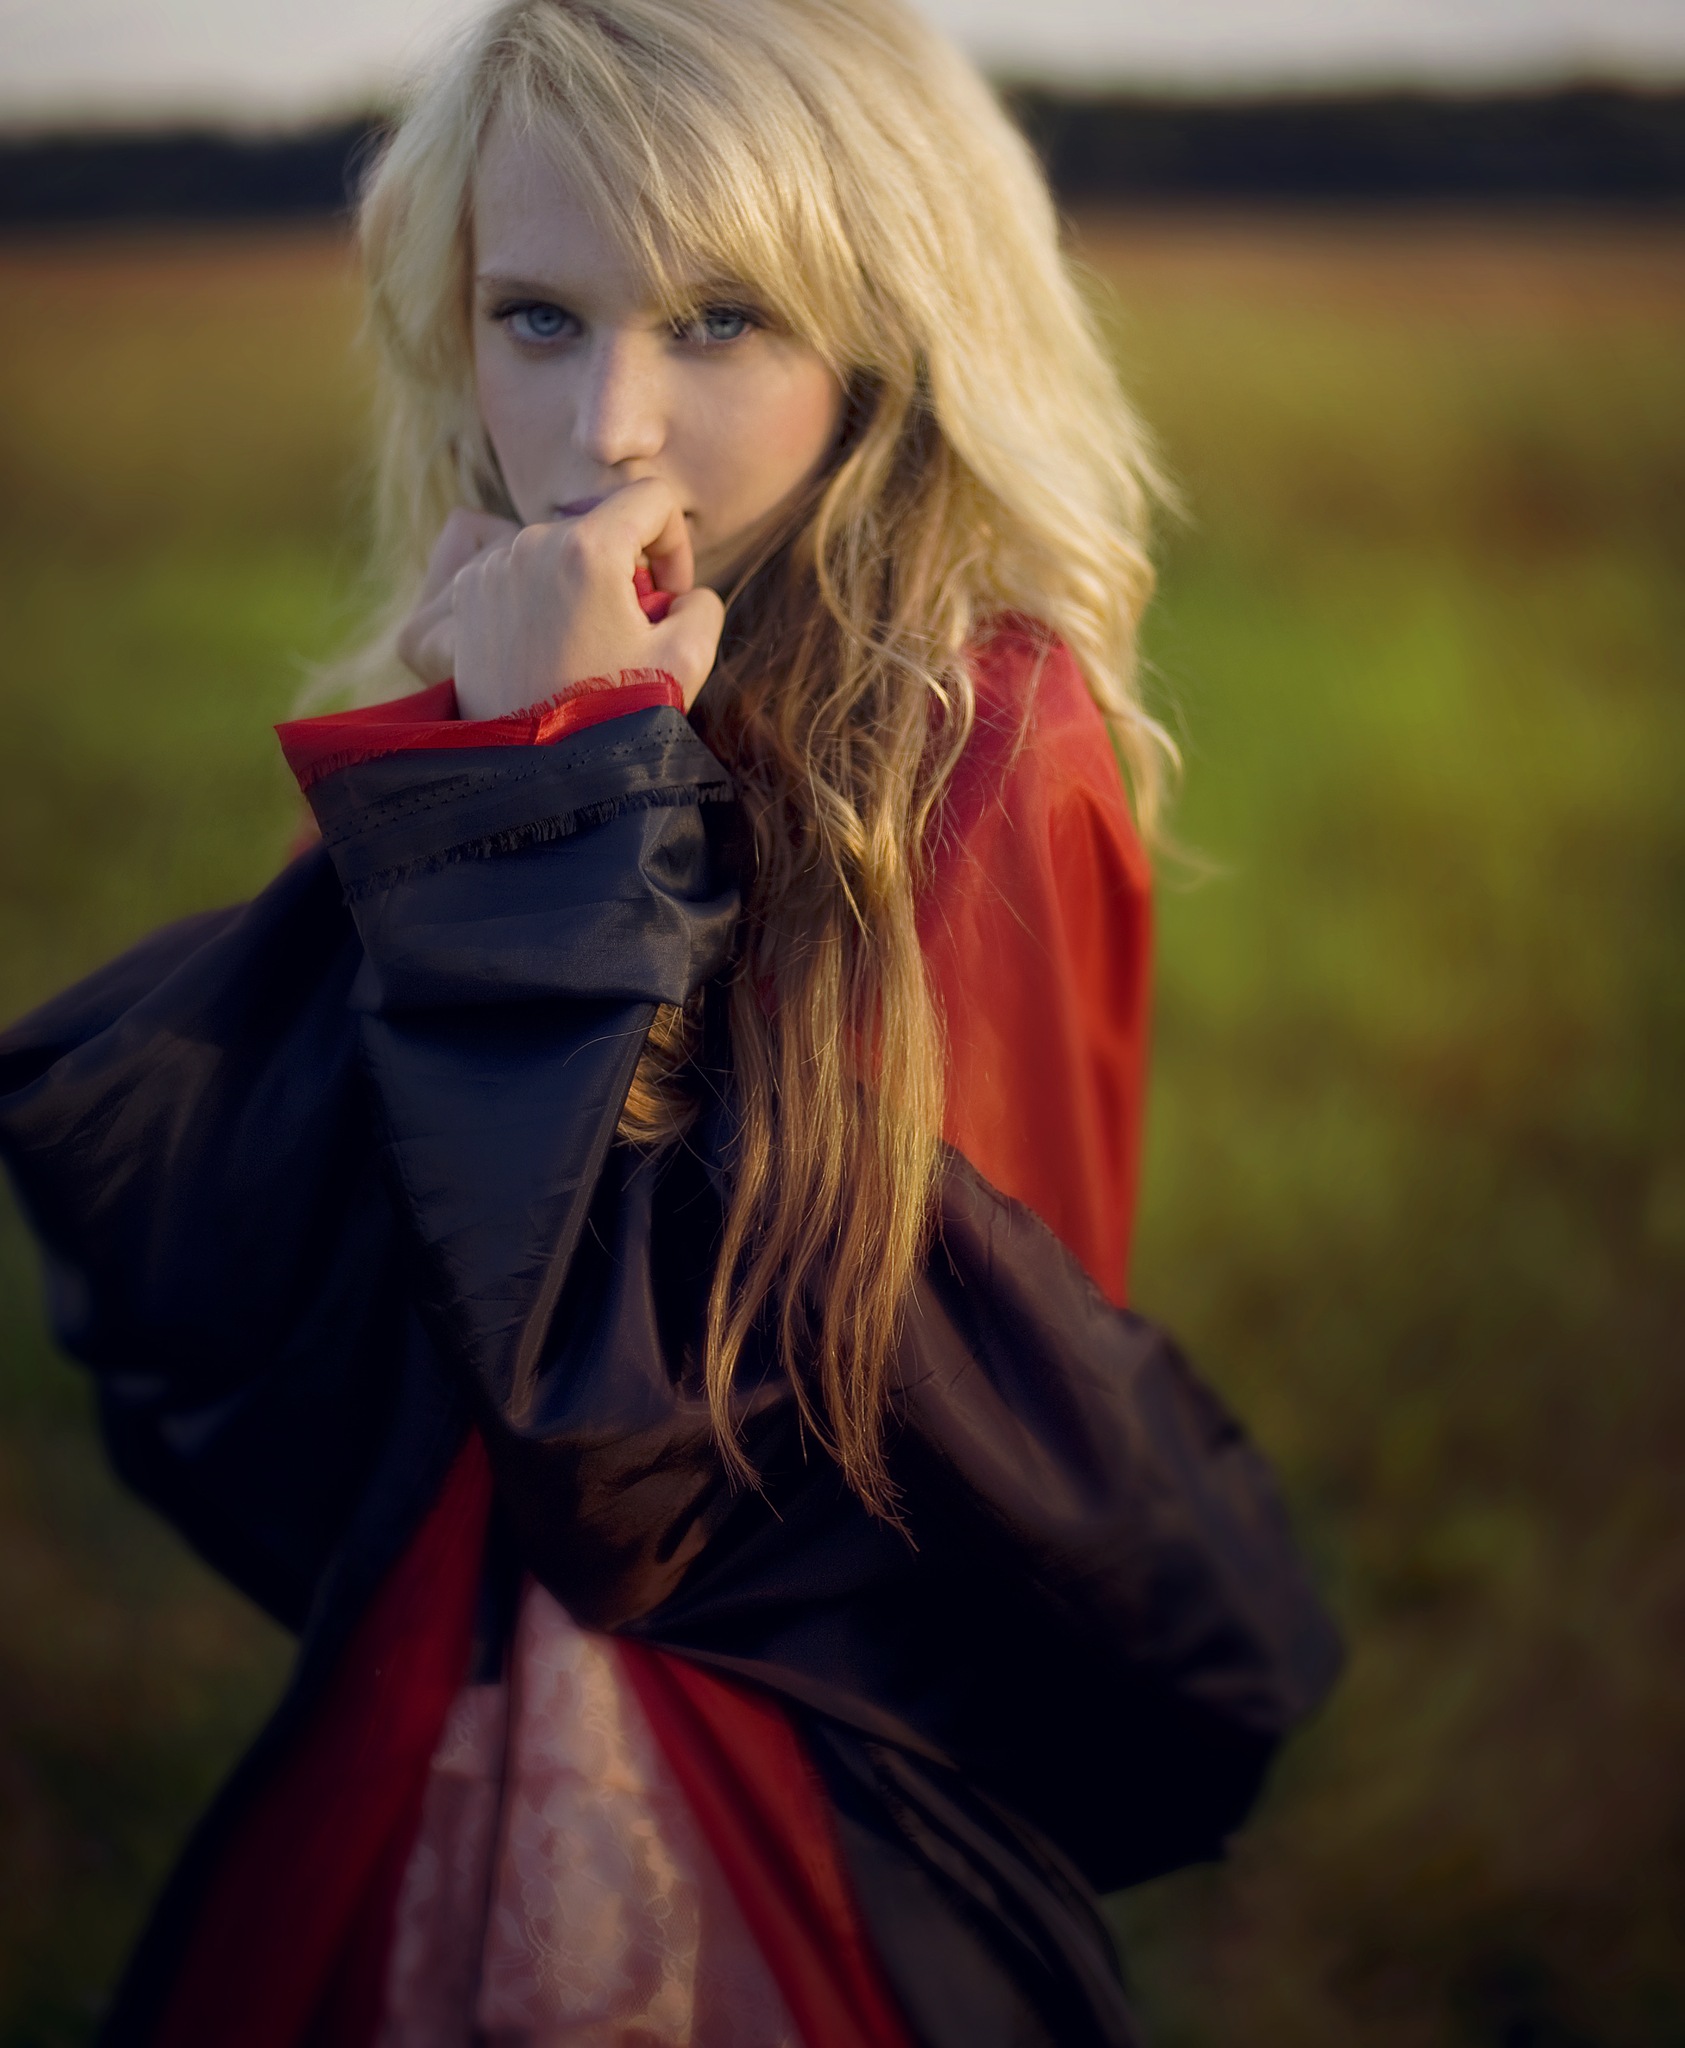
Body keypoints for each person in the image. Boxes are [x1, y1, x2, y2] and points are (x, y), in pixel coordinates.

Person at [0, 1, 1341, 2042]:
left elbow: (696, 1425)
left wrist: (554, 788)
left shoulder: (976, 738)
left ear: (883, 335)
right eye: (538, 317)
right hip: (444, 1648)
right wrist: (496, 764)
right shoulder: (512, 662)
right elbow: (296, 1264)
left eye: (720, 321)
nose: (611, 422)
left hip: (753, 1743)